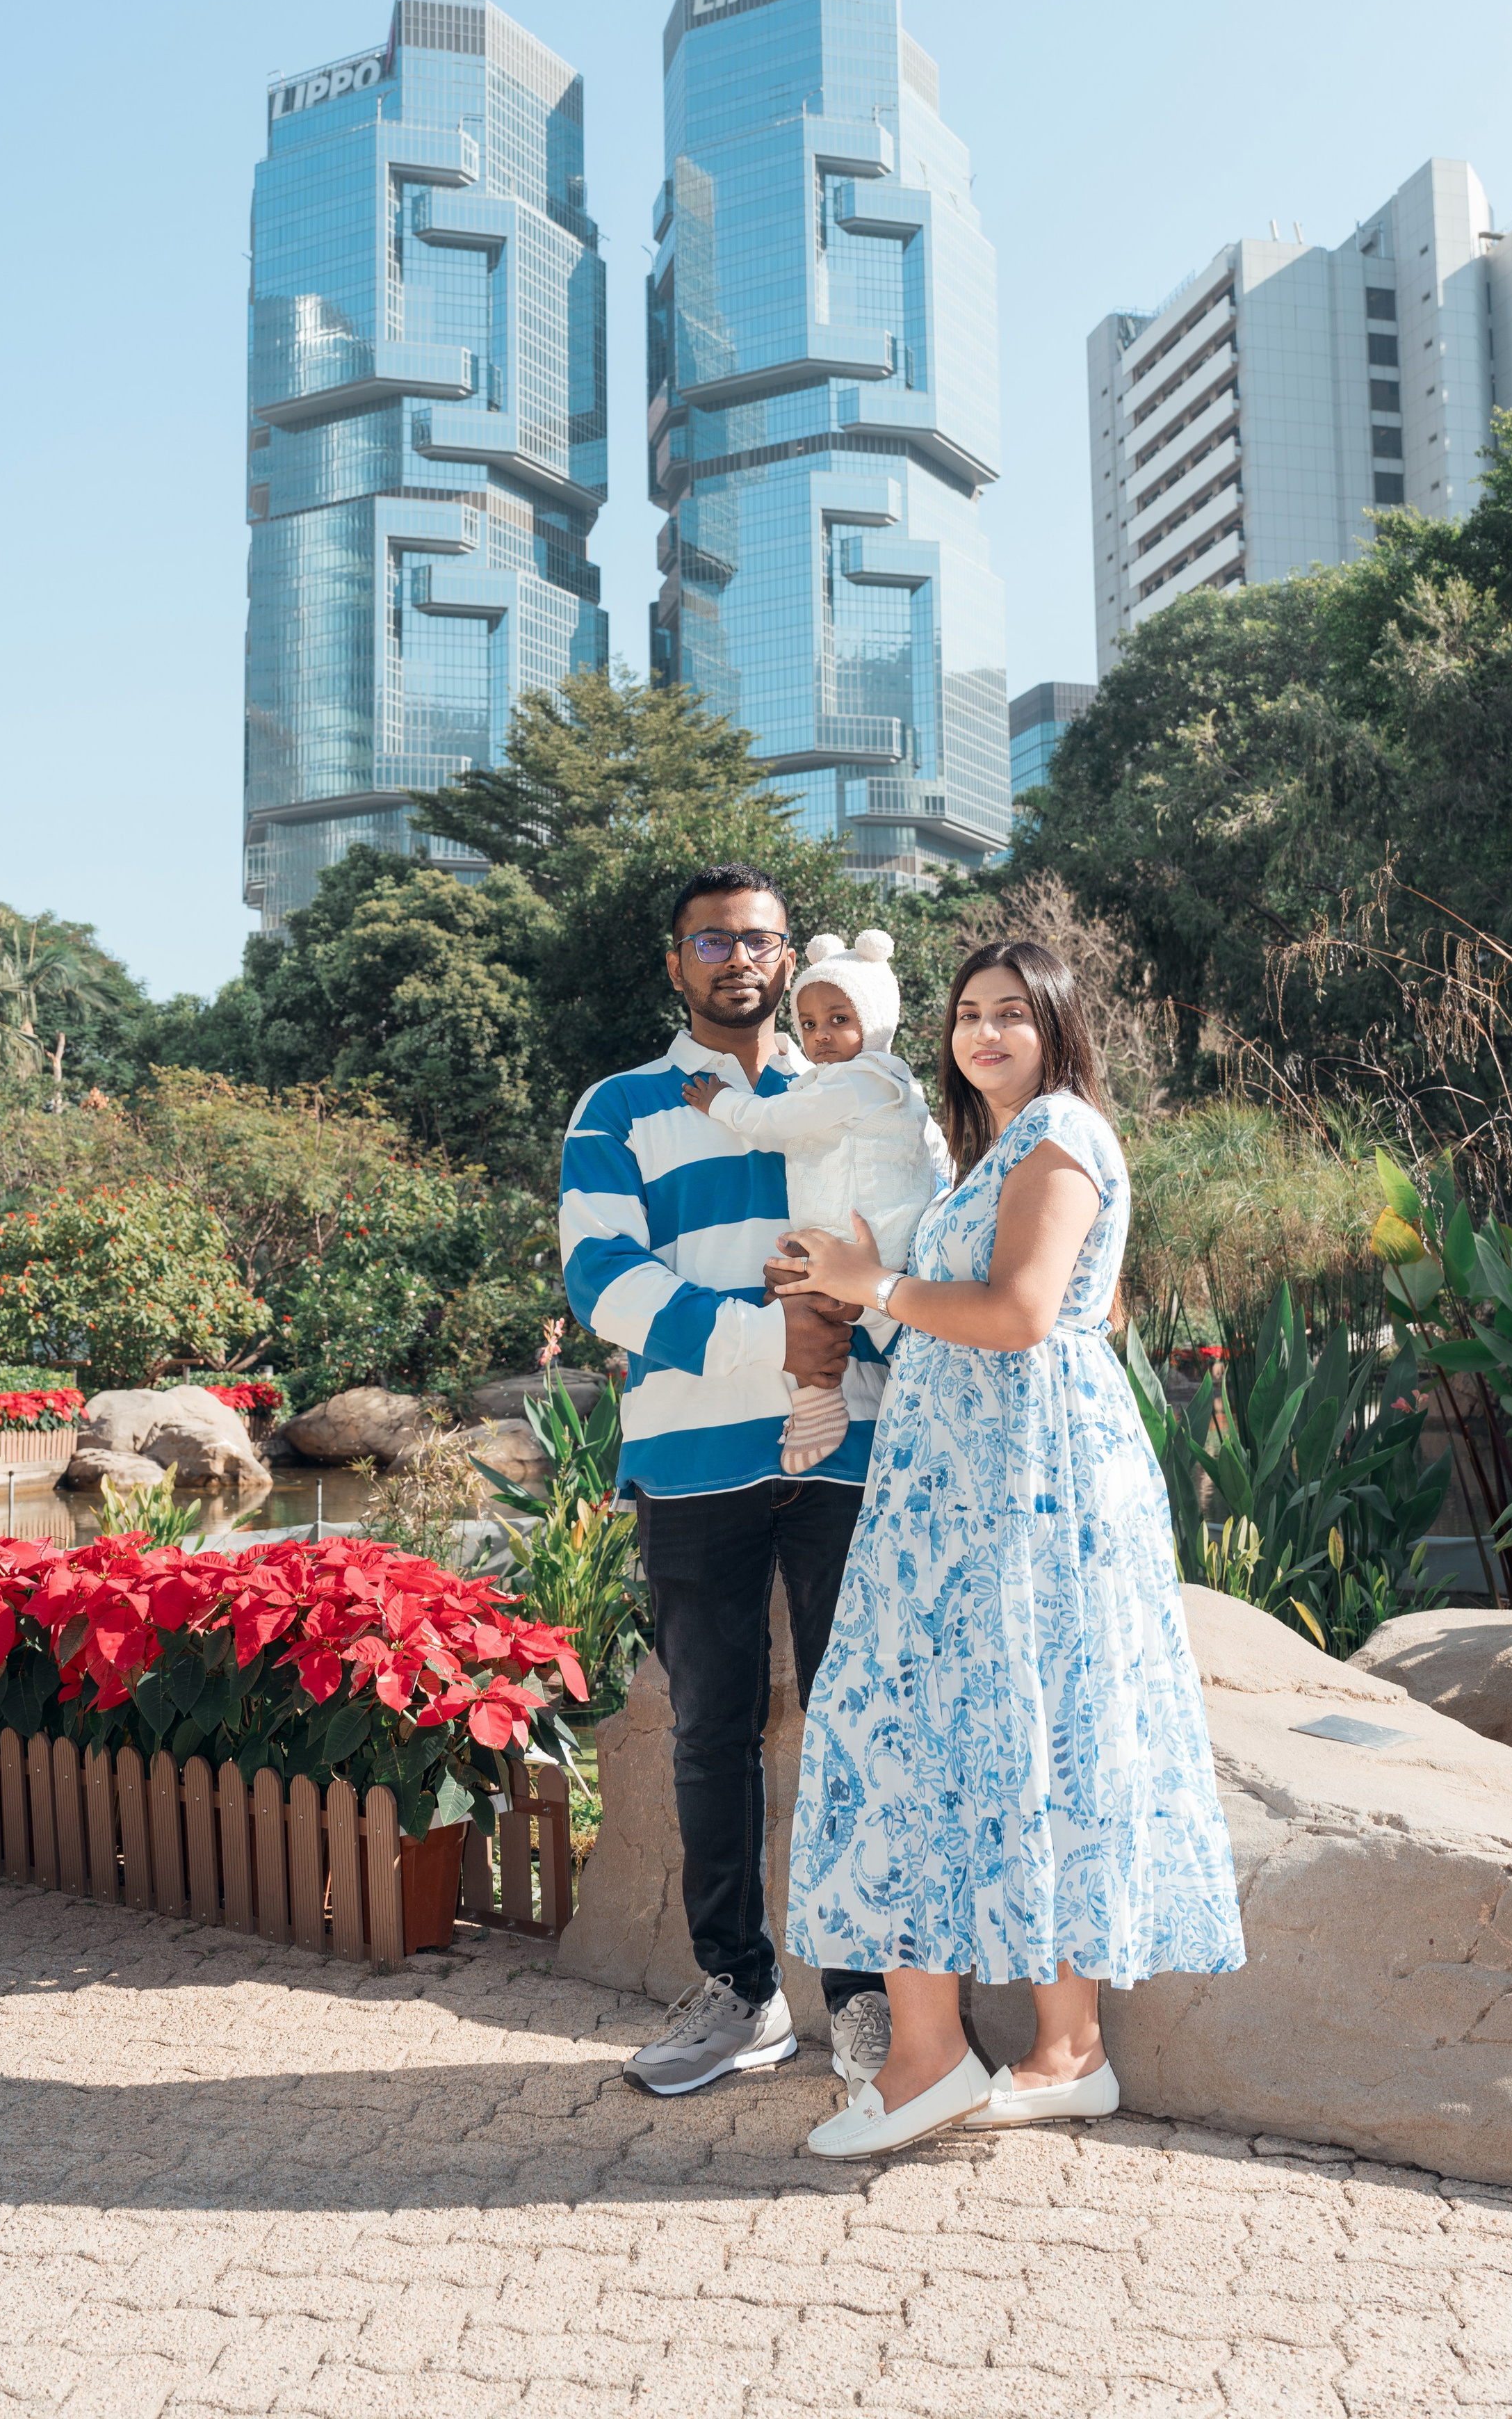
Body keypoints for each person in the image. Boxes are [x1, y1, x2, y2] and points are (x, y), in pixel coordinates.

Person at [780, 940, 1246, 2158]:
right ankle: (1066, 2050)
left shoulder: (1059, 1136)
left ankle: (932, 2063)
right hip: (988, 1475)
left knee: (932, 1731)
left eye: (1009, 1015)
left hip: (1014, 1485)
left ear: (1054, 1027)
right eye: (967, 1015)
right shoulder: (1008, 1150)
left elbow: (1021, 1314)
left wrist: (868, 1284)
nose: (982, 1034)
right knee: (1025, 1727)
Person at [559, 864, 894, 2099]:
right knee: (711, 1732)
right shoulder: (618, 1110)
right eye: (713, 941)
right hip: (694, 1459)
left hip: (844, 1450)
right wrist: (781, 1333)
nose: (738, 960)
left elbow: (897, 1251)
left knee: (855, 1726)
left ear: (793, 954)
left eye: (759, 940)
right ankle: (741, 1994)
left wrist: (846, 1340)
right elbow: (605, 1282)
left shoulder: (858, 1094)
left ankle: (867, 2014)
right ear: (676, 963)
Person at [683, 928, 947, 1475]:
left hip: (870, 1238)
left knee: (801, 1293)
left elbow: (778, 1121)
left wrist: (723, 1103)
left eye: (839, 1020)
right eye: (807, 1024)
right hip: (849, 1235)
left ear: (876, 1021)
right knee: (793, 1290)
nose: (820, 1036)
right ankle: (829, 1393)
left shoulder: (870, 1078)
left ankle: (824, 1398)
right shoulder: (841, 1080)